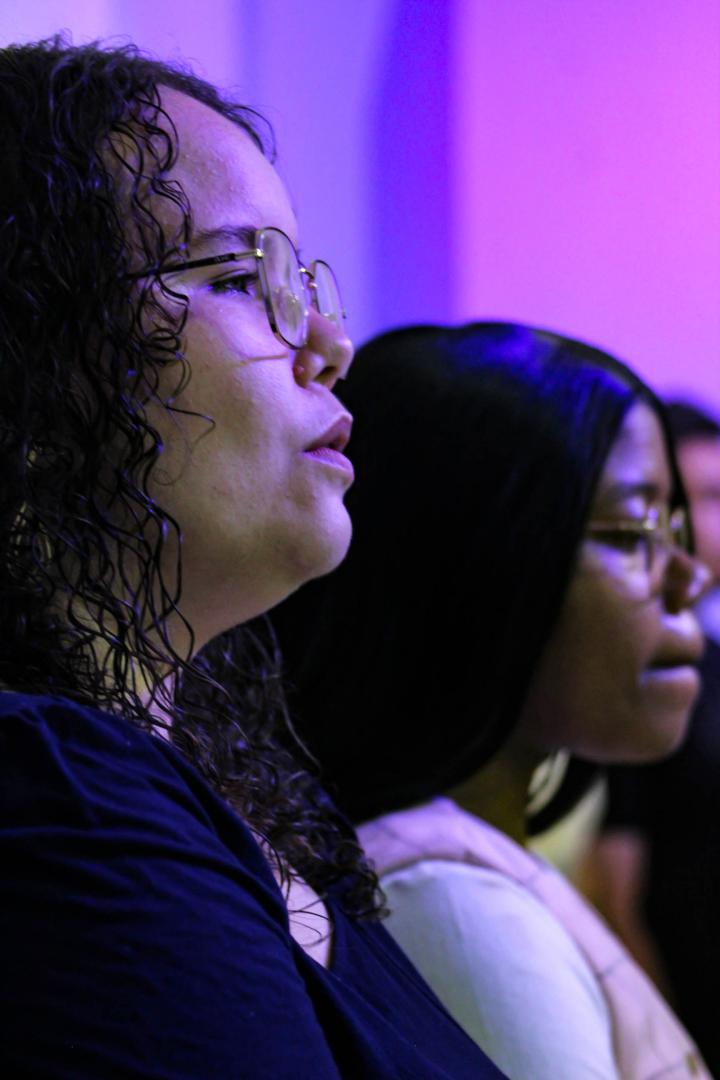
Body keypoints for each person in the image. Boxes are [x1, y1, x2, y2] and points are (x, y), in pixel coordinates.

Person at [0, 40, 505, 1078]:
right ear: (34, 360)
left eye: (300, 279)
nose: (328, 343)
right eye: (239, 277)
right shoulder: (55, 788)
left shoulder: (228, 799)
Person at [273, 322, 712, 1079]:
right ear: (474, 563)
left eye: (676, 529)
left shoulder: (467, 868)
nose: (688, 576)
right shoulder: (450, 898)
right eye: (634, 531)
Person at [582, 399, 720, 1073]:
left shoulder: (705, 658)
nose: (704, 526)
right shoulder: (640, 671)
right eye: (692, 501)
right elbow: (615, 892)